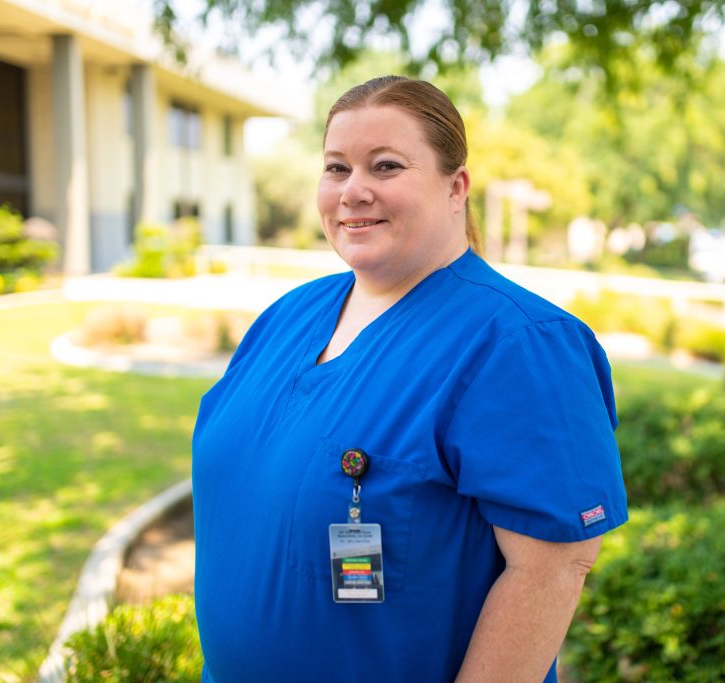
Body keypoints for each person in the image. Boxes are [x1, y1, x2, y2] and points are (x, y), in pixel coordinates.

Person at [192, 75, 627, 683]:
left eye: (386, 166)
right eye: (337, 168)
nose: (354, 191)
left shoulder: (518, 343)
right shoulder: (287, 316)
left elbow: (556, 567)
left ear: (456, 187)